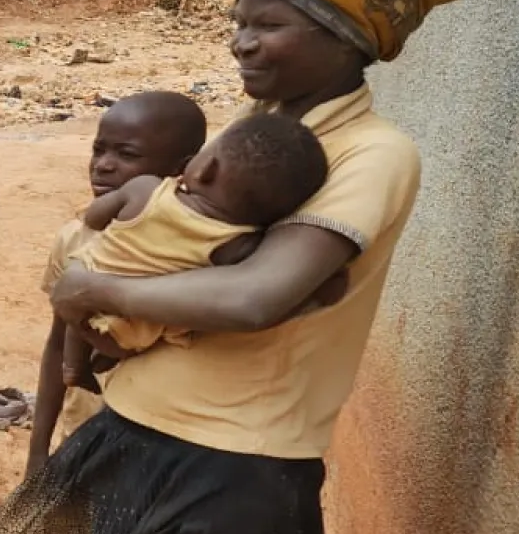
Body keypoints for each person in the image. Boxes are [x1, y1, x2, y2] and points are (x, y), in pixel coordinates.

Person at [0, 0, 476, 534]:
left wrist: (91, 283)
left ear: (347, 34)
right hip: (139, 438)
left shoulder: (371, 155)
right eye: (240, 19)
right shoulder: (258, 137)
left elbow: (252, 300)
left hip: (232, 469)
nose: (241, 41)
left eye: (268, 23)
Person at [15, 91, 204, 534]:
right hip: (88, 442)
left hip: (162, 449)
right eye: (99, 148)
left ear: (184, 166)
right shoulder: (75, 238)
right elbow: (52, 348)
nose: (104, 165)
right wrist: (40, 451)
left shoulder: (193, 251)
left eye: (128, 154)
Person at [58, 112, 331, 380]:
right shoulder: (237, 244)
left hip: (84, 292)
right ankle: (97, 360)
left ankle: (73, 366)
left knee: (78, 303)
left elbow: (95, 218)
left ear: (205, 168)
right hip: (135, 332)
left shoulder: (146, 190)